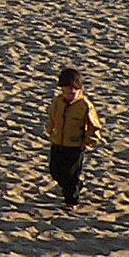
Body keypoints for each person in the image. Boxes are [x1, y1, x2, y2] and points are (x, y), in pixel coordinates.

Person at [45, 67, 103, 212]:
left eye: (72, 92)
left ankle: (72, 201)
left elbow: (94, 126)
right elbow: (52, 117)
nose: (68, 95)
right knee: (55, 171)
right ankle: (75, 186)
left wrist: (88, 141)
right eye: (65, 92)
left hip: (75, 145)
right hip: (58, 141)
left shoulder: (85, 105)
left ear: (80, 89)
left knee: (70, 174)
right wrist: (50, 130)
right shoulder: (58, 102)